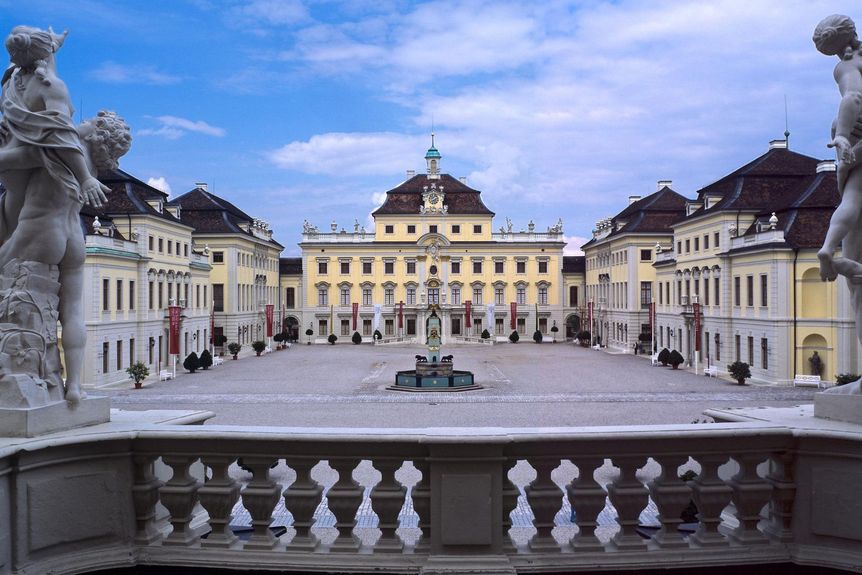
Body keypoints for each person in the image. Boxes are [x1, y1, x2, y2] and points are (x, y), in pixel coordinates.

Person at [0, 25, 129, 402]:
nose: (81, 121)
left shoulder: (56, 147)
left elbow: (53, 135)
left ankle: (20, 376)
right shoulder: (64, 149)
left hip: (39, 231)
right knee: (72, 312)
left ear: (92, 134)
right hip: (72, 235)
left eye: (88, 123)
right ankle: (73, 386)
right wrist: (51, 48)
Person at [814, 15, 862, 394]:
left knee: (852, 199)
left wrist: (843, 135)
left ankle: (830, 247)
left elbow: (852, 97)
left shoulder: (848, 66)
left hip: (858, 152)